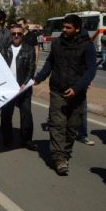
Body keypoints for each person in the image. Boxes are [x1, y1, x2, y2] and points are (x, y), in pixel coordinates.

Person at [34, 14, 97, 176]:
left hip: (77, 93)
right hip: (57, 91)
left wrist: (77, 88)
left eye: (68, 28)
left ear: (77, 29)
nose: (64, 30)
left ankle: (66, 152)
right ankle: (59, 158)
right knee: (57, 124)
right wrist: (39, 77)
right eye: (63, 26)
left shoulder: (87, 46)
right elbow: (50, 63)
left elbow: (91, 70)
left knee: (72, 127)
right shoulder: (56, 44)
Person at [0, 24, 36, 150]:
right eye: (14, 33)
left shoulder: (29, 49)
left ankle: (26, 140)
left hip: (23, 87)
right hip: (9, 88)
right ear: (10, 35)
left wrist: (25, 84)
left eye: (19, 34)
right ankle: (7, 139)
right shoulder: (5, 49)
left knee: (26, 114)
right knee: (6, 114)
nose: (16, 36)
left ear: (22, 35)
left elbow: (31, 69)